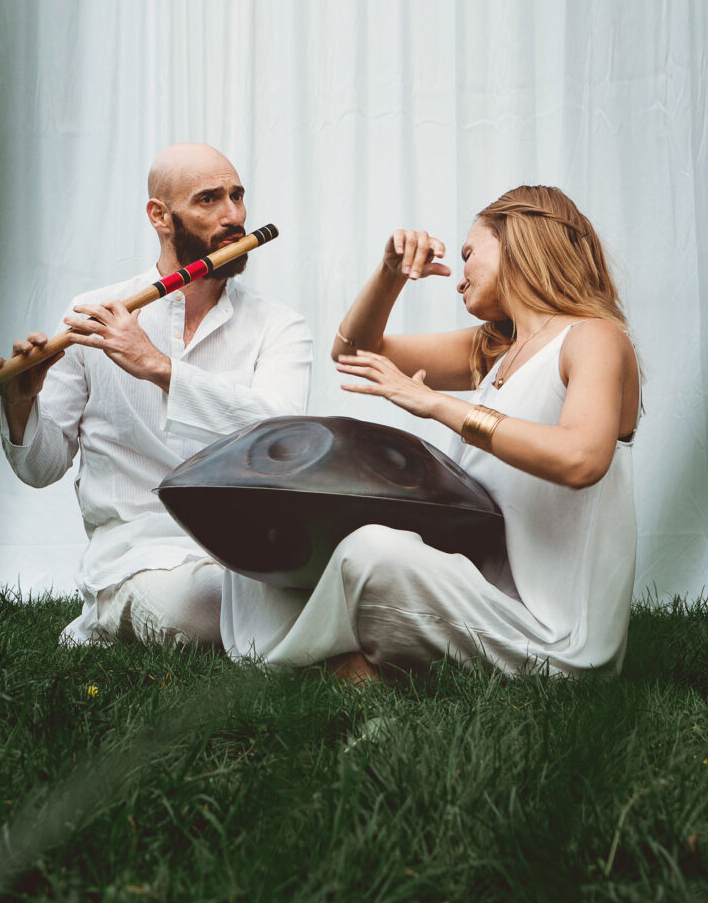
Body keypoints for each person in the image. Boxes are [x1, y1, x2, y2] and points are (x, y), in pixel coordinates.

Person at [220, 185, 640, 679]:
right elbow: (354, 351)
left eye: (468, 255)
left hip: (556, 640)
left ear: (519, 241)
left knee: (372, 552)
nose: (459, 279)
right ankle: (358, 663)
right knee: (264, 532)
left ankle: (306, 667)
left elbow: (581, 459)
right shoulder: (496, 352)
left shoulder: (592, 336)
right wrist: (389, 274)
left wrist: (438, 405)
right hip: (480, 597)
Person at [0, 144, 312, 647]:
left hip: (244, 552)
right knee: (200, 609)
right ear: (160, 216)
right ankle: (105, 616)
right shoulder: (93, 312)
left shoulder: (280, 325)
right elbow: (41, 467)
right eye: (209, 200)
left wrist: (161, 369)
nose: (234, 216)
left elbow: (282, 439)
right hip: (139, 554)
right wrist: (19, 403)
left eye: (237, 196)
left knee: (343, 571)